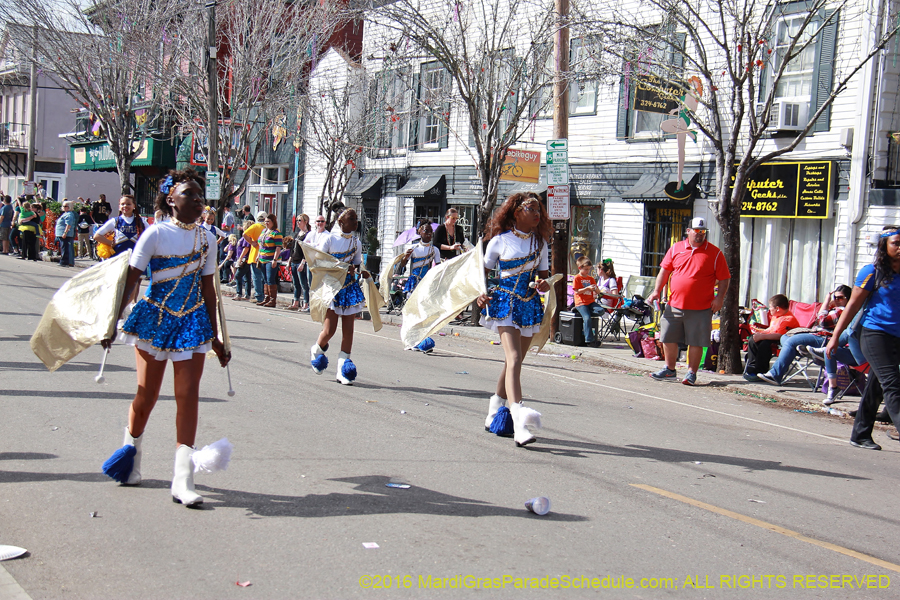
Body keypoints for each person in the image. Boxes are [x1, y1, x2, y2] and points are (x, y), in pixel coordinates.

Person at [100, 168, 230, 505]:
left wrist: (216, 337)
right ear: (171, 200)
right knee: (147, 395)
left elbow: (209, 291)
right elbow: (131, 279)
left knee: (188, 396)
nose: (198, 200)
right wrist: (111, 323)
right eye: (190, 194)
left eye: (200, 195)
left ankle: (183, 479)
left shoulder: (207, 239)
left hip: (192, 322)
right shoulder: (155, 234)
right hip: (155, 320)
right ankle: (130, 456)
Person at [476, 192, 552, 447]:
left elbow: (544, 279)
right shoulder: (499, 241)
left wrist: (544, 284)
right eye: (532, 209)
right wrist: (480, 294)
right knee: (515, 358)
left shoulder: (541, 244)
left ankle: (494, 412)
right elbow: (481, 274)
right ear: (517, 212)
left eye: (539, 210)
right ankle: (519, 424)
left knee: (513, 363)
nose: (537, 214)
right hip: (505, 303)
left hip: (529, 305)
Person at [827, 225, 900, 451]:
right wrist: (835, 337)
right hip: (875, 333)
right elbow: (851, 306)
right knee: (893, 383)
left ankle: (860, 435)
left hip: (897, 335)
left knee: (877, 385)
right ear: (884, 246)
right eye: (896, 243)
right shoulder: (872, 272)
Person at [648, 217, 730, 386]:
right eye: (696, 231)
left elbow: (724, 278)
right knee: (667, 336)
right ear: (688, 231)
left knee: (696, 341)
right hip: (674, 304)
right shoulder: (676, 248)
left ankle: (691, 372)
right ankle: (669, 369)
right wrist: (656, 291)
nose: (699, 234)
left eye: (703, 231)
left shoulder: (715, 253)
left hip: (701, 307)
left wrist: (719, 298)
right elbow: (664, 271)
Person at [309, 208, 370, 385]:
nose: (356, 222)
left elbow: (357, 264)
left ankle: (343, 368)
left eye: (356, 219)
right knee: (330, 330)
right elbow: (319, 262)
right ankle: (317, 349)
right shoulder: (329, 239)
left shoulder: (356, 242)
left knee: (349, 331)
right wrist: (342, 267)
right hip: (333, 288)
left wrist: (361, 271)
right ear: (341, 222)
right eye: (352, 219)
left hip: (349, 288)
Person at [756, 285, 850, 394]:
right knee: (785, 337)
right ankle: (800, 348)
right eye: (835, 297)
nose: (837, 300)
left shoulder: (842, 311)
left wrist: (826, 302)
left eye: (840, 298)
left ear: (848, 299)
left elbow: (822, 321)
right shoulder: (835, 309)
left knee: (790, 341)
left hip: (825, 339)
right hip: (817, 335)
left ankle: (775, 374)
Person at [400, 221, 441, 352]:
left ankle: (422, 339)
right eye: (426, 231)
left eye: (430, 232)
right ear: (419, 232)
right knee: (414, 312)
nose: (429, 234)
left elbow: (438, 268)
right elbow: (401, 268)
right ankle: (413, 340)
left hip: (426, 283)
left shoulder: (434, 250)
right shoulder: (413, 248)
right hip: (414, 283)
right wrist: (405, 258)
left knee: (424, 312)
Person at [742, 294, 800, 380]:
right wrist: (760, 333)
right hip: (772, 336)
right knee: (753, 339)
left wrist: (762, 337)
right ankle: (752, 368)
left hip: (783, 340)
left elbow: (780, 336)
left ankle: (761, 371)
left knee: (764, 344)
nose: (769, 309)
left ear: (777, 308)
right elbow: (771, 329)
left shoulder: (788, 319)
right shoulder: (776, 316)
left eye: (770, 307)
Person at [572, 256, 605, 347]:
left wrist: (596, 289)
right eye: (586, 269)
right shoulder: (577, 278)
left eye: (589, 269)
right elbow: (577, 291)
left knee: (601, 311)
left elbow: (598, 292)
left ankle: (585, 313)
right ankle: (589, 340)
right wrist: (587, 288)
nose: (588, 271)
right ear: (580, 268)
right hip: (581, 303)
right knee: (587, 319)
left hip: (590, 302)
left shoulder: (591, 279)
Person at [256, 213, 282, 307]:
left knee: (270, 278)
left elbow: (278, 247)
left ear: (273, 222)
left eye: (268, 221)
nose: (266, 223)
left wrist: (275, 259)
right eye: (265, 221)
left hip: (271, 259)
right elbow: (261, 245)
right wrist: (258, 255)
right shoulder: (264, 231)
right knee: (265, 279)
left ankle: (272, 300)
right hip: (263, 258)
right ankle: (266, 298)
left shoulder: (276, 233)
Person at [286, 213, 312, 312]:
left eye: (300, 220)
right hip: (294, 261)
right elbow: (292, 249)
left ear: (306, 222)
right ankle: (296, 302)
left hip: (301, 262)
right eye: (297, 220)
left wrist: (303, 262)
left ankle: (306, 303)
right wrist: (289, 261)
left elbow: (307, 250)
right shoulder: (297, 234)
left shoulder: (308, 235)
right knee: (295, 283)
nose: (298, 222)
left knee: (303, 284)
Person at [242, 212, 267, 304]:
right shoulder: (268, 227)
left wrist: (252, 242)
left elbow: (244, 234)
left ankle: (259, 296)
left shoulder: (255, 226)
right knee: (264, 277)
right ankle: (265, 296)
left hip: (255, 254)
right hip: (266, 255)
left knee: (256, 276)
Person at [231, 220, 253, 301]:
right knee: (247, 277)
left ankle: (239, 293)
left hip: (245, 260)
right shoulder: (245, 237)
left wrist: (240, 258)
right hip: (246, 259)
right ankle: (247, 294)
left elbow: (246, 248)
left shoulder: (247, 237)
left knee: (238, 276)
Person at [54, 200, 77, 267]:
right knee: (63, 247)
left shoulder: (69, 215)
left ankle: (64, 262)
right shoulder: (65, 214)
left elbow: (68, 225)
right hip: (61, 234)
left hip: (66, 234)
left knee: (65, 248)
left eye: (65, 206)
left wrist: (65, 233)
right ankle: (63, 261)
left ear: (69, 207)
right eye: (63, 206)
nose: (63, 207)